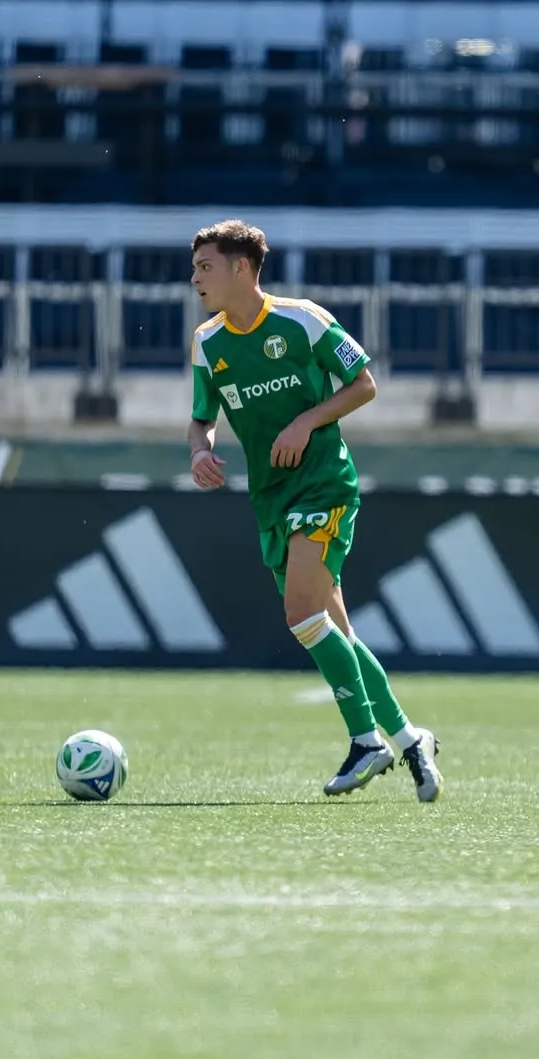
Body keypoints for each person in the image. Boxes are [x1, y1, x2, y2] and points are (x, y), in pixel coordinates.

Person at [187, 219, 443, 803]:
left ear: (241, 268)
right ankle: (408, 739)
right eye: (195, 267)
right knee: (336, 632)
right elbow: (202, 416)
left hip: (324, 484)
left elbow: (364, 383)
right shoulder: (207, 342)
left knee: (300, 613)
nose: (195, 278)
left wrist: (305, 420)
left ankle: (365, 742)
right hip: (270, 498)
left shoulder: (303, 318)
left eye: (205, 266)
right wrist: (200, 449)